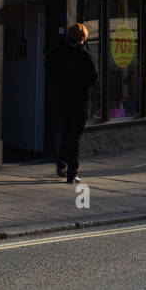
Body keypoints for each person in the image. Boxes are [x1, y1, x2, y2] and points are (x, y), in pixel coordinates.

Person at [47, 23, 98, 184]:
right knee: (75, 136)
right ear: (83, 37)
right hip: (79, 101)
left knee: (65, 132)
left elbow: (51, 73)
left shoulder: (58, 51)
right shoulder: (84, 54)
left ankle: (61, 164)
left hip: (61, 99)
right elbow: (93, 77)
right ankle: (72, 172)